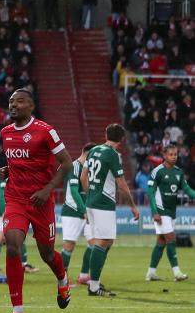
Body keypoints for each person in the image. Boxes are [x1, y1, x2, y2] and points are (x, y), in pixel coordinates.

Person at [0, 87, 73, 313]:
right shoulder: (6, 132)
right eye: (11, 101)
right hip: (16, 199)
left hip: (41, 202)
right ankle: (17, 311)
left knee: (47, 254)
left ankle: (62, 280)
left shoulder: (45, 131)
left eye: (19, 101)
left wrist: (48, 188)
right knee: (12, 245)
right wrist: (8, 170)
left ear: (31, 106)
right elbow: (19, 161)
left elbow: (67, 164)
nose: (13, 105)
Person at [83, 124, 141, 297]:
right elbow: (121, 183)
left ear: (106, 134)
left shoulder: (93, 150)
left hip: (92, 202)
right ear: (122, 139)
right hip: (104, 203)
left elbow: (83, 176)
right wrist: (132, 205)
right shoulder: (113, 155)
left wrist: (90, 195)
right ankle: (93, 286)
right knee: (103, 241)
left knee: (107, 242)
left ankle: (95, 281)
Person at [146, 144, 195, 282]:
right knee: (171, 238)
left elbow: (187, 189)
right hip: (161, 211)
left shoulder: (178, 172)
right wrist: (154, 212)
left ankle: (150, 273)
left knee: (161, 241)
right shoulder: (157, 171)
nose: (174, 157)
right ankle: (177, 272)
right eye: (171, 154)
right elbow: (150, 192)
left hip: (171, 211)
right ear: (164, 155)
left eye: (175, 154)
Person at [0, 173, 38, 274]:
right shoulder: (7, 174)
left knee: (14, 237)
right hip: (8, 211)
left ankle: (23, 264)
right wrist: (3, 211)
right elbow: (2, 193)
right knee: (2, 238)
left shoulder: (13, 173)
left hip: (9, 210)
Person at [59, 144, 96, 276]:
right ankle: (62, 278)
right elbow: (74, 192)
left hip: (86, 212)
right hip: (72, 211)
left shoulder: (88, 169)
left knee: (94, 243)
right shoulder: (74, 166)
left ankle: (84, 276)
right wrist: (84, 210)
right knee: (69, 246)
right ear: (86, 154)